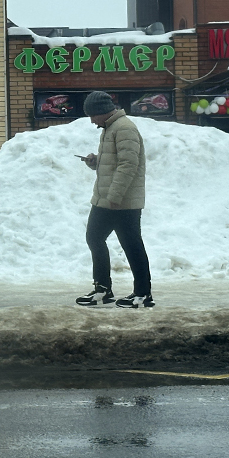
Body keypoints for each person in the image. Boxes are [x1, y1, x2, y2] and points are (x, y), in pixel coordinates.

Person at [76, 91, 154, 309]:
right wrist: (96, 162)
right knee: (94, 237)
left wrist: (114, 196)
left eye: (92, 115)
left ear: (102, 112)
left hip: (121, 201)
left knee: (132, 245)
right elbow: (116, 160)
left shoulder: (124, 128)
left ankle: (143, 294)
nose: (91, 121)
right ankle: (103, 289)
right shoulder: (110, 128)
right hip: (106, 198)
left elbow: (129, 165)